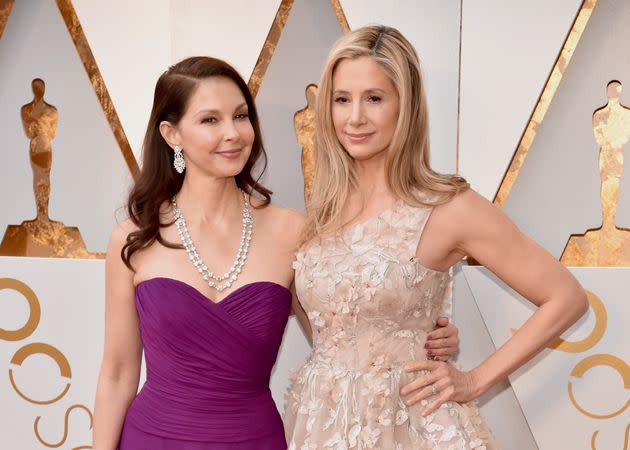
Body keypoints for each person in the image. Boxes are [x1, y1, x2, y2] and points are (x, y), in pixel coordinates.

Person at [90, 55, 464, 449]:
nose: (233, 133)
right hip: (154, 439)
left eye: (240, 116)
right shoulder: (134, 238)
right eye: (210, 120)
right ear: (172, 135)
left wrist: (416, 336)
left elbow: (342, 341)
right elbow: (117, 372)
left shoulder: (293, 232)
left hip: (254, 439)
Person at [284, 25, 588, 449]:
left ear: (404, 106)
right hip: (321, 423)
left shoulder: (448, 206)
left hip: (410, 424)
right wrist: (408, 330)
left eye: (374, 98)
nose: (354, 117)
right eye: (341, 99)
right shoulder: (324, 210)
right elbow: (327, 322)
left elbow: (566, 297)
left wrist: (475, 379)